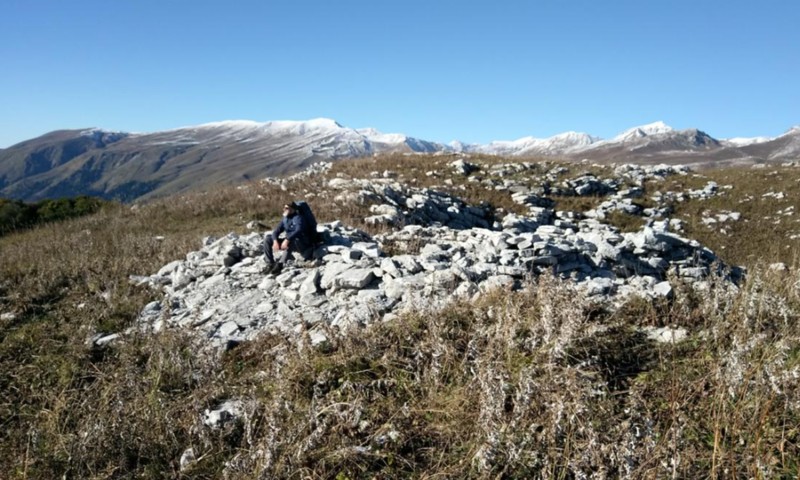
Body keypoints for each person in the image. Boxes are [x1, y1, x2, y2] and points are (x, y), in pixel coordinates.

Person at [263, 201, 315, 275]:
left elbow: (299, 230)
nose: (284, 209)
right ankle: (270, 263)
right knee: (267, 239)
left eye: (286, 208)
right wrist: (275, 241)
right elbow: (276, 231)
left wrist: (287, 239)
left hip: (302, 243)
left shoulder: (298, 218)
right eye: (284, 207)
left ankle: (280, 265)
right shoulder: (285, 219)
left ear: (292, 209)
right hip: (291, 241)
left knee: (291, 241)